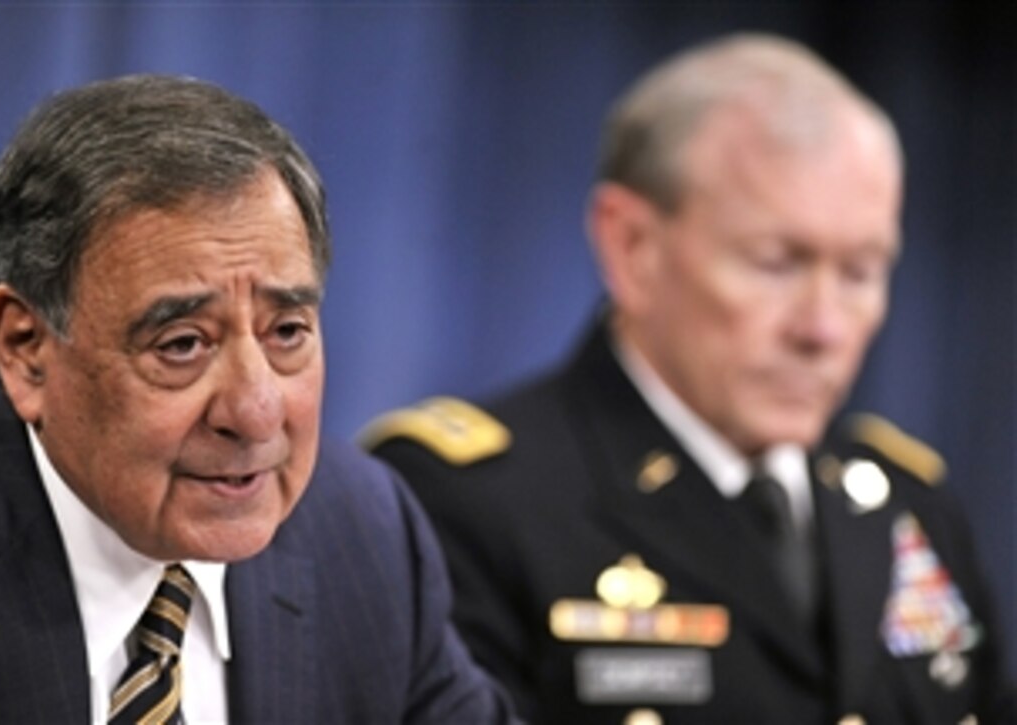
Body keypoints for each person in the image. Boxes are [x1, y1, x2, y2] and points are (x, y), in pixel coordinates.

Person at [364, 33, 1015, 724]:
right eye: (775, 262)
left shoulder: (910, 505)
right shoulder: (461, 505)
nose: (823, 327)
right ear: (633, 246)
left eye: (861, 271)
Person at [0, 74, 517, 724]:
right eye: (182, 344)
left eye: (287, 332)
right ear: (26, 346)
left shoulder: (363, 533)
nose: (257, 411)